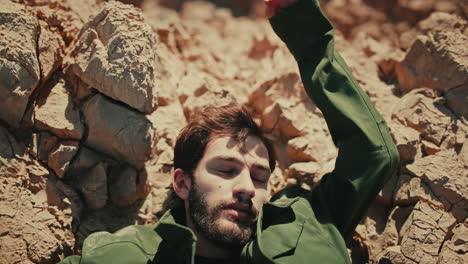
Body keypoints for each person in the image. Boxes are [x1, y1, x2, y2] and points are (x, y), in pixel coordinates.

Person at [61, 0, 399, 263]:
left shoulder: (308, 220)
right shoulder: (126, 255)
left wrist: (303, 26)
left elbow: (373, 154)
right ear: (182, 182)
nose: (246, 188)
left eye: (260, 176)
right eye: (226, 169)